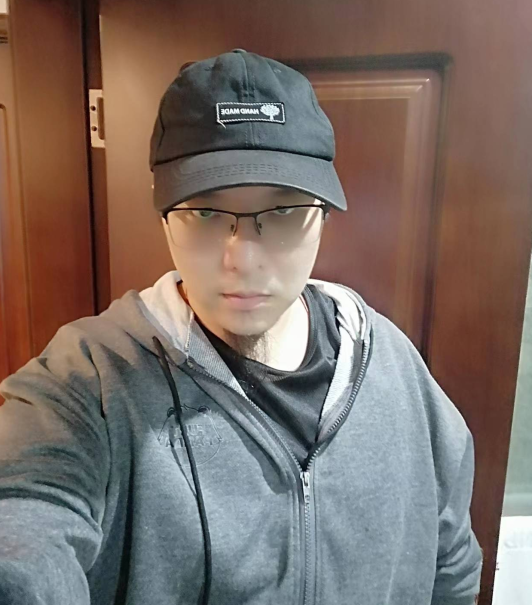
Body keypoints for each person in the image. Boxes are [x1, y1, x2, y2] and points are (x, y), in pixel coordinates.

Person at [0, 49, 482, 605]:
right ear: (165, 217)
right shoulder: (93, 381)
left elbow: (451, 564)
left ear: (323, 216)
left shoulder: (394, 368)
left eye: (283, 212)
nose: (243, 259)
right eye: (205, 212)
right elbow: (25, 520)